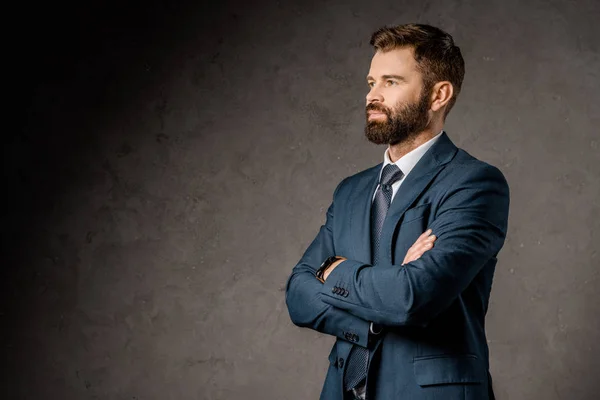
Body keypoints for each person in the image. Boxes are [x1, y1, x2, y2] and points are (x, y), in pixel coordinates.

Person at [284, 23, 510, 400]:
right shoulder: (351, 191)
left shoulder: (474, 184)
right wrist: (375, 313)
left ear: (438, 95)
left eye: (391, 82)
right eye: (371, 82)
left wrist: (333, 269)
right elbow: (298, 296)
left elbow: (411, 298)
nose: (373, 95)